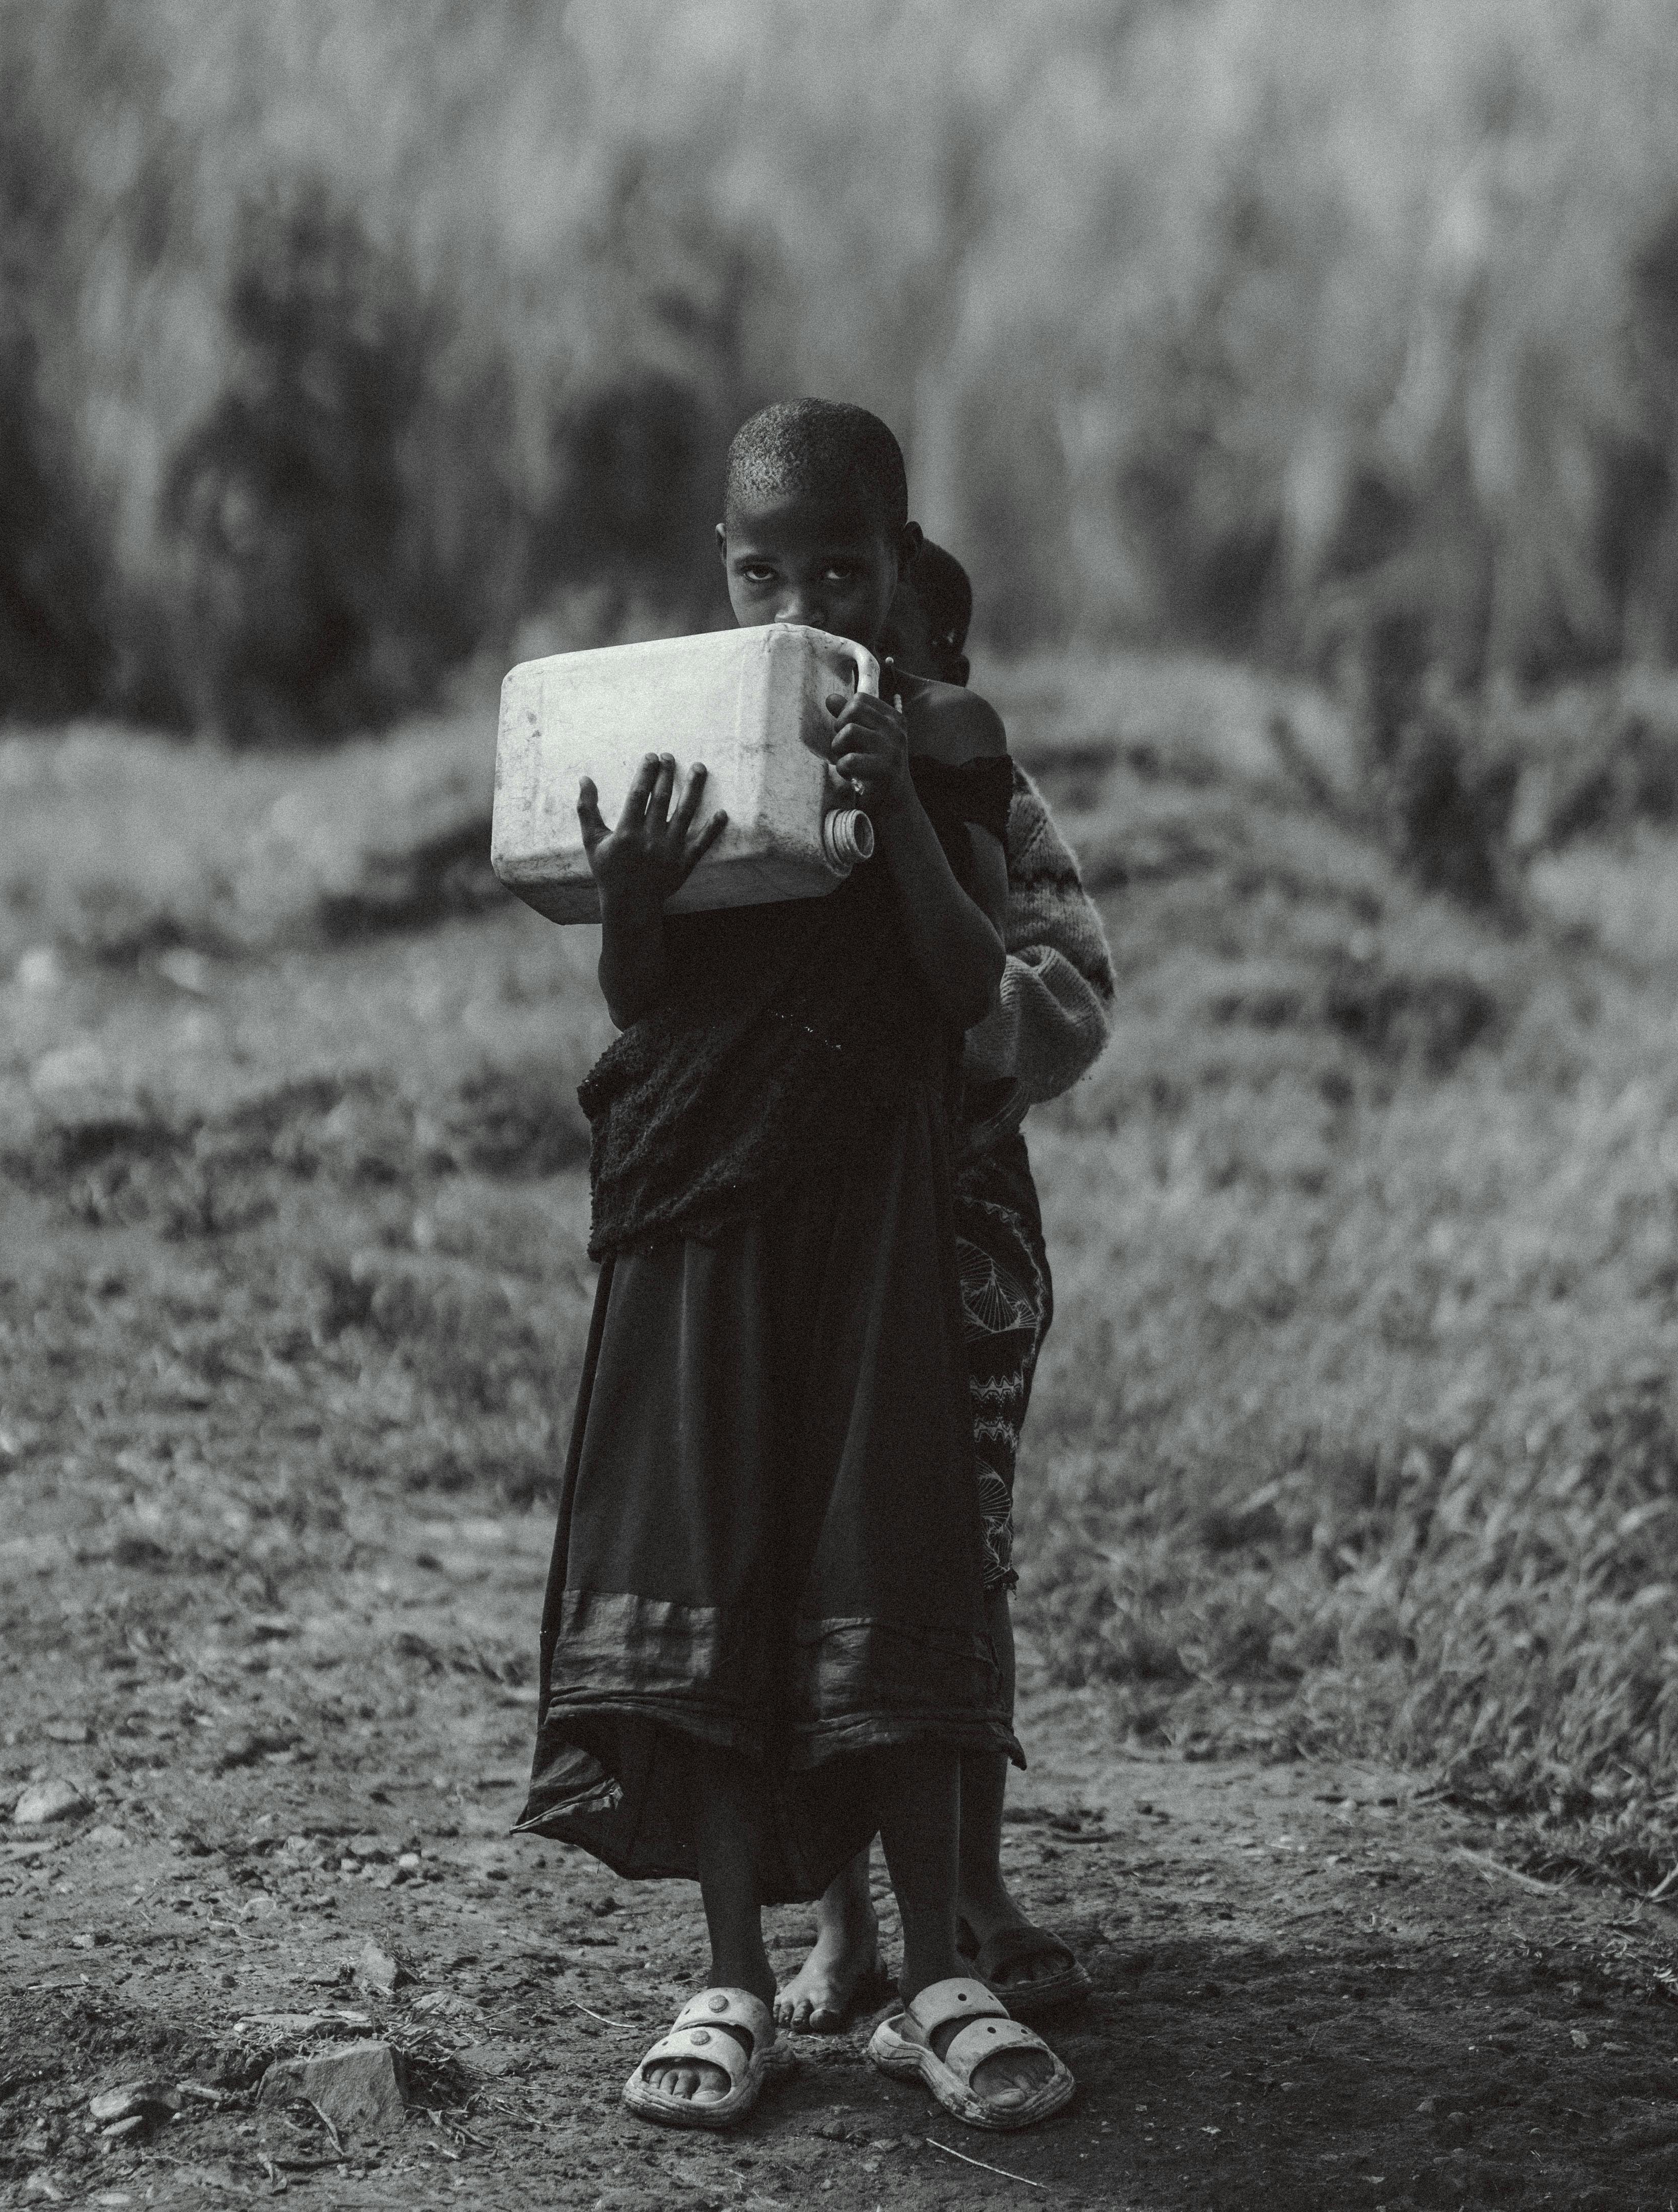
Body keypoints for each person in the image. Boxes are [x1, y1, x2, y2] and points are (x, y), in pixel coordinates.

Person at [519, 401, 1077, 2137]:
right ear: (725, 571)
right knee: (719, 1570)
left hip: (878, 1219)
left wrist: (898, 802)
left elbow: (965, 970)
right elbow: (644, 1002)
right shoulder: (684, 735)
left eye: (841, 565)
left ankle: (939, 1976)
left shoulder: (949, 733)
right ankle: (732, 1979)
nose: (799, 602)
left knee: (888, 1559)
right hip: (700, 1223)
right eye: (765, 570)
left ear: (900, 569)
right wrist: (632, 892)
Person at [776, 540, 1114, 2045]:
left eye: (886, 659)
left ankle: (970, 1897)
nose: (851, 683)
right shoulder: (767, 773)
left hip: (963, 1227)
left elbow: (1065, 987)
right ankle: (844, 1926)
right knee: (810, 1562)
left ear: (949, 665)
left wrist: (961, 1039)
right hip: (812, 1220)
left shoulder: (979, 785)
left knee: (962, 1554)